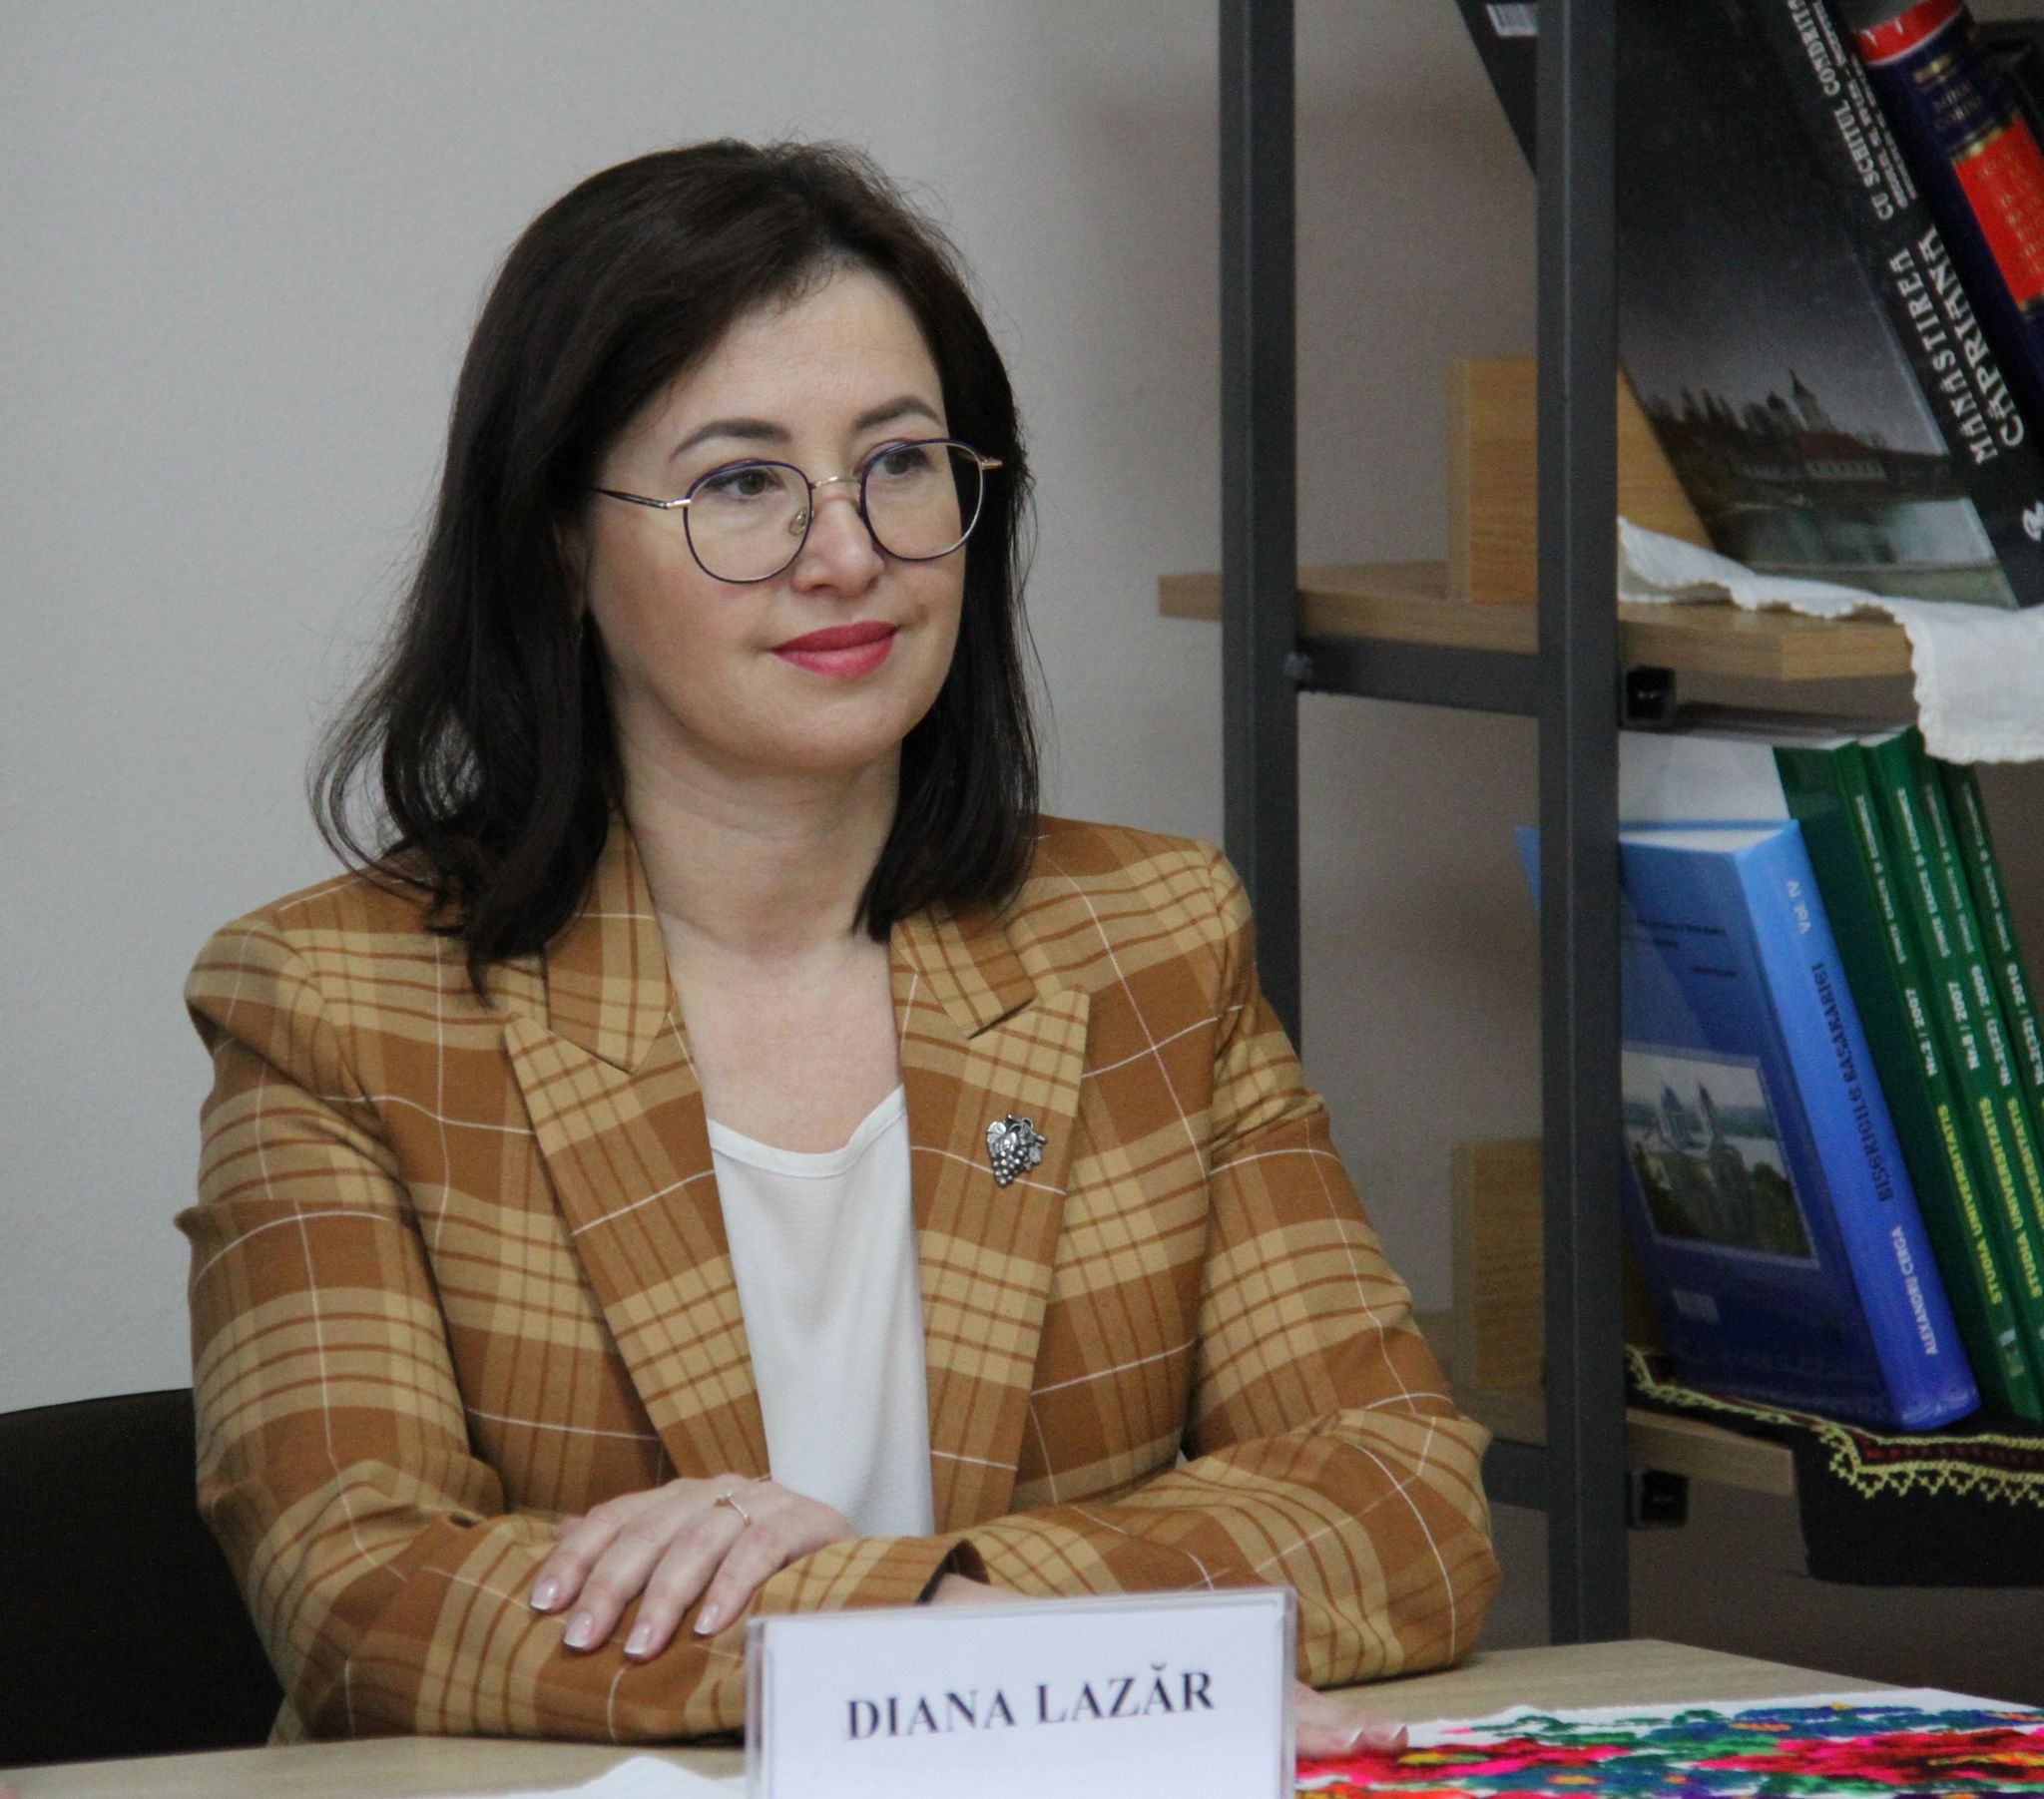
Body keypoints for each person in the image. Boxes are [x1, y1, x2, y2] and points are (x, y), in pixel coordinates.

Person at [179, 139, 1500, 1753]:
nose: (850, 553)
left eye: (901, 463)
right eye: (741, 483)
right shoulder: (338, 1008)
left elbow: (1402, 1503)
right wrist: (917, 1627)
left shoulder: (1151, 941)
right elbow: (361, 1590)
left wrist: (928, 1602)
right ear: (556, 547)